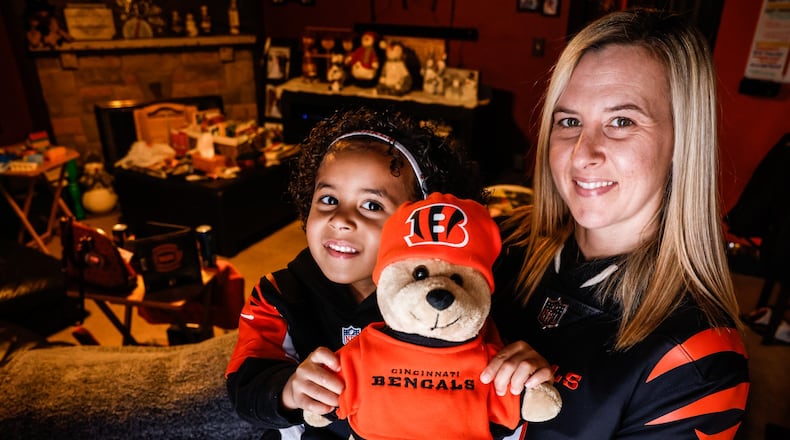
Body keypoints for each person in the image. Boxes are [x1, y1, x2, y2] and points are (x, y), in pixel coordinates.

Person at [488, 9, 749, 439]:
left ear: (683, 142)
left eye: (622, 121)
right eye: (569, 121)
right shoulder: (494, 247)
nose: (582, 153)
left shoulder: (698, 358)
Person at [225, 106, 489, 438]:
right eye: (328, 199)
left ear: (421, 227)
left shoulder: (442, 301)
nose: (341, 219)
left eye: (372, 205)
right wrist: (288, 390)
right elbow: (245, 381)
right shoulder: (279, 294)